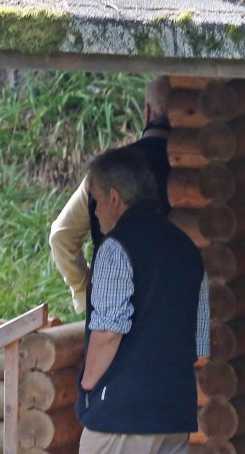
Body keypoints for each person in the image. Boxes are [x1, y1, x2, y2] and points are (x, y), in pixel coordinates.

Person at [74, 145, 210, 454]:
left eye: (96, 201)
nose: (95, 211)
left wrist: (88, 386)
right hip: (173, 414)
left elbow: (107, 332)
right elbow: (198, 344)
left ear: (114, 198)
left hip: (119, 415)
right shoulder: (187, 249)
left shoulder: (116, 248)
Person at [49, 77, 172, 315]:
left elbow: (61, 236)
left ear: (146, 113)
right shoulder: (203, 174)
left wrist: (85, 290)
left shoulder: (107, 169)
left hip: (109, 314)